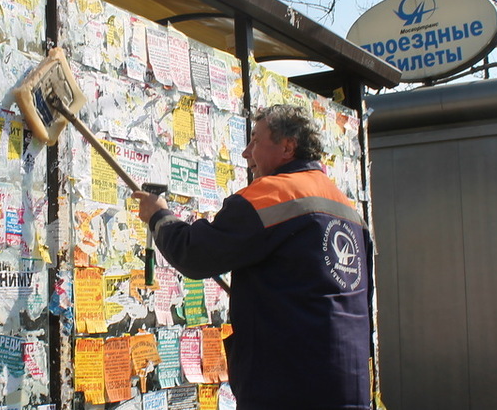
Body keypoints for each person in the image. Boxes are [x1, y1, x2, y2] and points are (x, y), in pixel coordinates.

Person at [135, 104, 371, 409]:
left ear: (287, 146)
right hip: (348, 388)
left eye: (256, 141)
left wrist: (158, 216)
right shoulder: (347, 208)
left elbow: (193, 253)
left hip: (288, 387)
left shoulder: (272, 195)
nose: (247, 154)